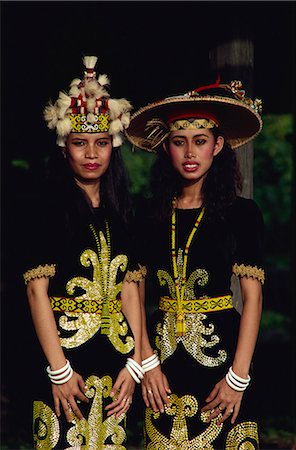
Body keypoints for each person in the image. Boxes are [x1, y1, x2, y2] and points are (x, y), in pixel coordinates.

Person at [126, 79, 265, 448]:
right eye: (179, 141)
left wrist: (239, 376)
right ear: (166, 148)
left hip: (226, 358)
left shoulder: (242, 214)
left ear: (217, 146)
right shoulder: (146, 213)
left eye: (200, 141)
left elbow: (252, 299)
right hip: (162, 361)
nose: (190, 152)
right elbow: (132, 290)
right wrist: (146, 360)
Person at [23, 56, 145, 449]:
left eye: (101, 143)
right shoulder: (45, 208)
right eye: (80, 143)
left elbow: (131, 293)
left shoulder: (124, 212)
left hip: (118, 364)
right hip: (65, 360)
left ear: (114, 147)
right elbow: (36, 292)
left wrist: (136, 364)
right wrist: (58, 370)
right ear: (64, 148)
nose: (92, 154)